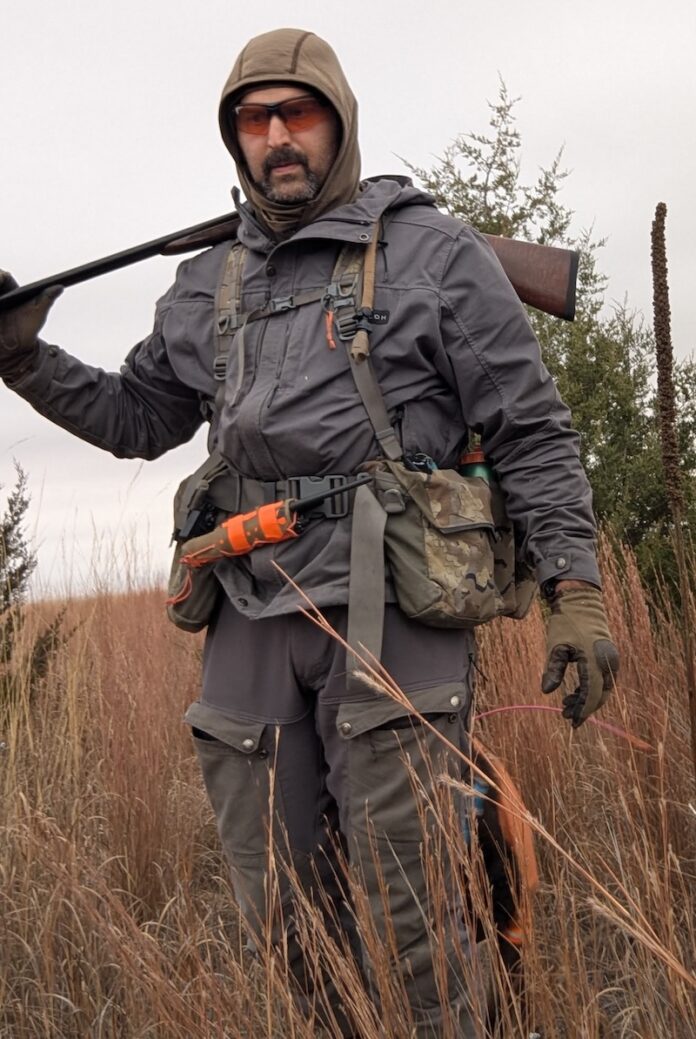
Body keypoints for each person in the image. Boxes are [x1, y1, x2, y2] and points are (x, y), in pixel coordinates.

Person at [0, 28, 619, 1037]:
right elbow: (137, 418)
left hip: (393, 609)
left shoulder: (433, 253)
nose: (278, 137)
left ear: (340, 121)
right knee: (287, 925)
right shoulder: (208, 280)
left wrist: (575, 589)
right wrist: (25, 361)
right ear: (235, 138)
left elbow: (531, 428)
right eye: (254, 119)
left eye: (298, 113)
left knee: (417, 930)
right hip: (247, 603)